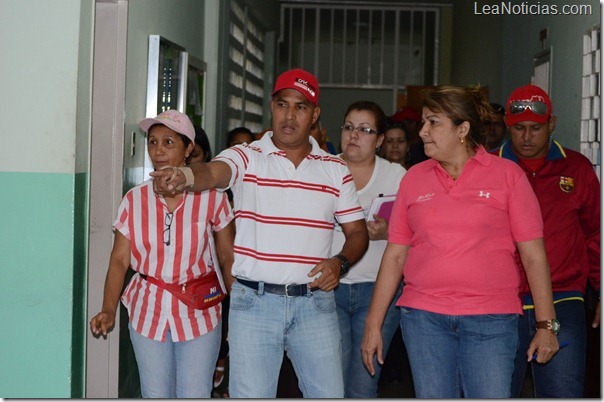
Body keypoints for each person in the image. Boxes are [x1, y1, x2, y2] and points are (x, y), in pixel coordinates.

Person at [150, 68, 369, 398]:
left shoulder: (335, 169)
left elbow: (357, 233)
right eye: (282, 104)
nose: (289, 115)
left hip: (315, 307)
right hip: (254, 303)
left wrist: (340, 263)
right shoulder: (246, 157)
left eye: (300, 107)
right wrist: (185, 176)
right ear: (272, 106)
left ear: (315, 114)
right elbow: (212, 172)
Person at [361, 85, 559, 398]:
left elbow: (533, 256)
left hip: (491, 321)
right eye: (424, 122)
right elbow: (396, 255)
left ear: (462, 129)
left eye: (433, 122)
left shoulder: (508, 176)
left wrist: (546, 326)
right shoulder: (413, 178)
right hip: (424, 319)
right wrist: (374, 324)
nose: (423, 131)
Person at [89, 109, 235, 398]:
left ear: (188, 149)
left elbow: (227, 257)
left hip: (199, 313)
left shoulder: (211, 197)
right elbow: (120, 259)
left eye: (168, 142)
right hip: (147, 312)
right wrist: (108, 308)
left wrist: (241, 313)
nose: (158, 150)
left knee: (194, 392)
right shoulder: (134, 200)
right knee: (155, 393)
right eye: (153, 142)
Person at [492, 84, 601, 398]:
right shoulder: (489, 168)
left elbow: (595, 234)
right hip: (500, 302)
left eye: (536, 128)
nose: (527, 137)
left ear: (551, 124)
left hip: (563, 298)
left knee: (562, 393)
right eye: (518, 129)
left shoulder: (577, 169)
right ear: (507, 128)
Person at [333, 100, 406, 398]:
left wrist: (390, 232)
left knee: (363, 382)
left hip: (379, 292)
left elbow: (416, 234)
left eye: (364, 130)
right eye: (349, 127)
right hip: (329, 289)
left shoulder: (397, 177)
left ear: (378, 141)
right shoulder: (324, 170)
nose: (354, 135)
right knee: (331, 381)